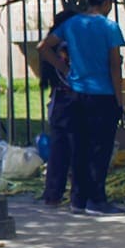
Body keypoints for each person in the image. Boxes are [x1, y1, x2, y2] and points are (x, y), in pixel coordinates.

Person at [40, 0, 125, 216]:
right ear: (107, 2)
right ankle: (96, 198)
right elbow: (115, 66)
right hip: (103, 94)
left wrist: (64, 69)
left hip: (77, 93)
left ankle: (78, 199)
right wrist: (120, 102)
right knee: (100, 148)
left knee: (79, 147)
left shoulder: (72, 23)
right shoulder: (109, 27)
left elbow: (44, 47)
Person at [40, 10, 80, 208]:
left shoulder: (53, 45)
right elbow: (70, 72)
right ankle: (76, 193)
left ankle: (53, 193)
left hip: (59, 101)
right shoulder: (65, 47)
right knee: (73, 149)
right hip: (69, 100)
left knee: (59, 150)